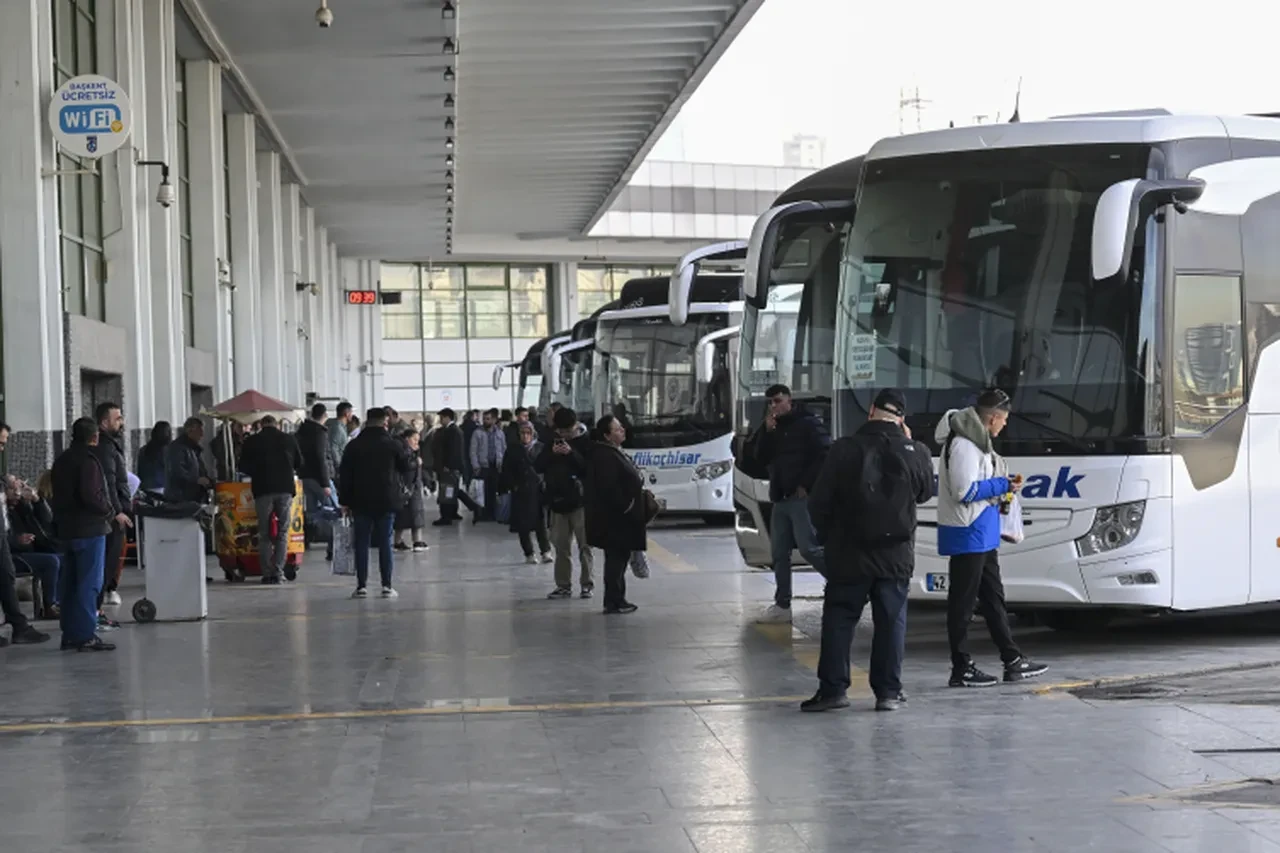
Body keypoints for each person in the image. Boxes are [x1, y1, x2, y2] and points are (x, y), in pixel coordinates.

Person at [803, 390, 936, 712]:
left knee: (839, 619)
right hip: (896, 554)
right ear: (901, 418)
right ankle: (889, 692)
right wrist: (913, 446)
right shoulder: (915, 450)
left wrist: (828, 537)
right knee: (891, 622)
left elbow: (818, 501)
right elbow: (925, 493)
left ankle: (833, 691)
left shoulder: (844, 449)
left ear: (871, 411)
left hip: (848, 553)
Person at [936, 388, 1048, 687]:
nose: (1005, 426)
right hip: (967, 531)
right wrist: (1001, 484)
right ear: (993, 418)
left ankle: (1012, 659)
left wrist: (1004, 486)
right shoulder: (964, 446)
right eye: (1004, 420)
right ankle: (961, 667)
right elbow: (964, 492)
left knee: (994, 600)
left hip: (982, 532)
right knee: (962, 604)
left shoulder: (979, 444)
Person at [745, 384, 830, 623]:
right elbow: (758, 458)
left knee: (808, 548)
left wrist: (807, 484)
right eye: (770, 402)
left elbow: (825, 453)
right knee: (779, 552)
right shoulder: (773, 427)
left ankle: (842, 582)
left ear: (789, 400)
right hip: (780, 497)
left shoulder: (807, 423)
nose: (774, 406)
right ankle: (782, 604)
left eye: (778, 400)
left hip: (800, 497)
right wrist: (766, 432)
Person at [51, 417, 114, 651]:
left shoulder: (61, 460)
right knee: (89, 584)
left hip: (66, 531)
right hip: (89, 530)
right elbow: (91, 495)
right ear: (94, 437)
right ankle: (85, 634)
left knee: (69, 584)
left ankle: (70, 633)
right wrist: (108, 510)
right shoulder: (88, 461)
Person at [339, 408, 411, 599]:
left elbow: (344, 476)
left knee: (361, 543)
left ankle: (361, 586)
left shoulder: (353, 446)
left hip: (360, 501)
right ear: (384, 422)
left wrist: (344, 501)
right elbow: (405, 467)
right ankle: (387, 586)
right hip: (386, 500)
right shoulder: (392, 444)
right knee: (385, 542)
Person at [585, 414, 646, 614]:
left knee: (619, 558)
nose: (622, 430)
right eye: (617, 429)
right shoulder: (604, 455)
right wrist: (627, 506)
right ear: (607, 435)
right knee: (616, 559)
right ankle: (614, 600)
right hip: (616, 519)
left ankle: (617, 598)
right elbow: (609, 488)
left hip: (621, 518)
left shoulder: (614, 452)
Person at [535, 406, 594, 599]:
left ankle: (587, 584)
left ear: (576, 425)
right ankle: (563, 585)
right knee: (561, 547)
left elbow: (588, 469)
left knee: (585, 546)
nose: (565, 435)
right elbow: (538, 465)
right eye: (561, 432)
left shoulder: (586, 441)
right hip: (557, 501)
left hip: (580, 502)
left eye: (568, 431)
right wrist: (551, 453)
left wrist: (571, 453)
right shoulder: (551, 441)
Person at [238, 415, 303, 585]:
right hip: (285, 490)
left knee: (265, 533)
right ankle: (279, 572)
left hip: (263, 490)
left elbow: (242, 466)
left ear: (261, 425)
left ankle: (266, 573)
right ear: (277, 424)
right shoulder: (289, 439)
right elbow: (299, 462)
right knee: (282, 532)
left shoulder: (252, 441)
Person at [90, 402, 132, 610]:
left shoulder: (111, 445)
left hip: (114, 513)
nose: (122, 422)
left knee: (110, 563)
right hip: (111, 516)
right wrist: (117, 511)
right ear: (104, 423)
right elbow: (109, 482)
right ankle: (95, 611)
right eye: (118, 418)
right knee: (106, 564)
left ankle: (97, 611)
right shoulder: (105, 448)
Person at [8, 475, 62, 620]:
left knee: (63, 556)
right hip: (11, 556)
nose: (17, 492)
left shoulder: (20, 507)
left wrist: (37, 500)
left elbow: (46, 522)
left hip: (26, 551)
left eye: (19, 488)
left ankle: (59, 602)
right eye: (13, 489)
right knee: (51, 561)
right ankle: (50, 606)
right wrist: (17, 540)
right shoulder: (5, 510)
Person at [501, 421, 551, 565]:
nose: (525, 436)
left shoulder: (540, 448)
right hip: (521, 491)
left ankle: (545, 551)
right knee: (523, 525)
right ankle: (529, 553)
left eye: (528, 433)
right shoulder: (513, 449)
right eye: (522, 433)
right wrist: (513, 485)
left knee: (540, 523)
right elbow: (506, 470)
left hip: (537, 491)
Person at [297, 403, 339, 559]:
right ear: (324, 415)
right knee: (334, 512)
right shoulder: (319, 433)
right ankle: (333, 547)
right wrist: (326, 483)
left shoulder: (301, 431)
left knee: (312, 512)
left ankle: (307, 539)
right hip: (319, 478)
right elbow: (321, 458)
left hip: (304, 477)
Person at [430, 408, 481, 525]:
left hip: (449, 467)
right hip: (450, 467)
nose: (440, 420)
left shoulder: (452, 431)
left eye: (442, 417)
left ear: (448, 417)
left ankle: (447, 516)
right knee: (453, 490)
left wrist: (448, 465)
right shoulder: (451, 430)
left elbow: (453, 451)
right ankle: (459, 511)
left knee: (447, 490)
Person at [393, 428, 429, 552]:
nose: (416, 442)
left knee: (410, 514)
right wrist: (416, 462)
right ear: (407, 439)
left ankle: (404, 540)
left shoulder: (410, 450)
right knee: (412, 513)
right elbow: (406, 466)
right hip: (409, 487)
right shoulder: (405, 451)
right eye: (414, 439)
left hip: (411, 487)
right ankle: (414, 541)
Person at [470, 408, 506, 520]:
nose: (485, 421)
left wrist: (503, 463)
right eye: (484, 419)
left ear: (494, 420)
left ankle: (493, 513)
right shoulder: (477, 433)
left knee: (494, 490)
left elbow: (503, 448)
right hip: (483, 466)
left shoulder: (500, 433)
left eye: (488, 419)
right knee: (482, 491)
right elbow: (473, 450)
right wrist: (475, 465)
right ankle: (483, 514)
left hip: (496, 466)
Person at [167, 417, 213, 502]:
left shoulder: (193, 448)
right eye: (199, 431)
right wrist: (197, 480)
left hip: (195, 496)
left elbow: (200, 470)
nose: (202, 435)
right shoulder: (177, 448)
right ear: (190, 431)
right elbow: (177, 472)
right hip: (182, 497)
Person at [135, 421, 172, 493]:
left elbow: (140, 471)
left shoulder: (143, 450)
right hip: (162, 488)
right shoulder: (169, 450)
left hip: (145, 488)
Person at [328, 401, 353, 467]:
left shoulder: (341, 427)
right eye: (351, 412)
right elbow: (333, 449)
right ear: (347, 414)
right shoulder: (337, 428)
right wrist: (339, 466)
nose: (352, 415)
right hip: (338, 467)